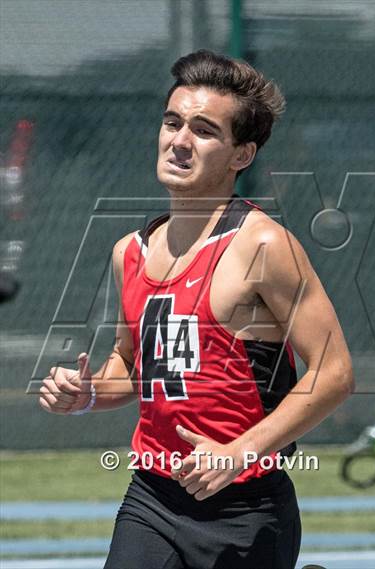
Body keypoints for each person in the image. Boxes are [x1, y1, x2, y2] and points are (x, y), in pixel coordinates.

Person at [39, 50, 354, 569]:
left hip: (245, 508)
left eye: (204, 130)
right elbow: (134, 366)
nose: (179, 141)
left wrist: (239, 452)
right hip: (153, 500)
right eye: (172, 122)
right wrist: (90, 393)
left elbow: (335, 372)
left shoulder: (263, 246)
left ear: (242, 155)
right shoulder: (129, 252)